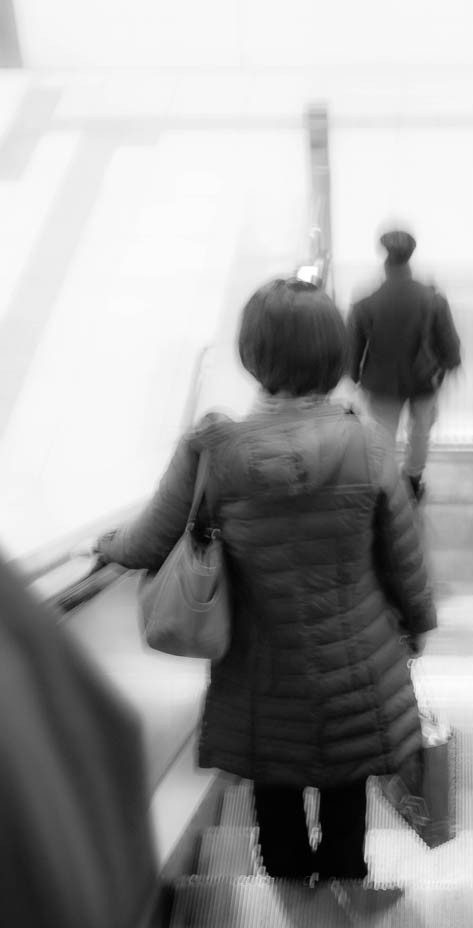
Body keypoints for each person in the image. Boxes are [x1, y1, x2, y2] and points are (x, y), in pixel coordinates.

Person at [96, 278, 437, 882]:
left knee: (272, 775)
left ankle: (284, 871)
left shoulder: (213, 449)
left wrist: (106, 547)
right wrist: (416, 624)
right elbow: (403, 557)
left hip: (258, 661)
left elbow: (148, 542)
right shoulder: (368, 444)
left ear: (253, 357)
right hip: (355, 658)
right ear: (335, 356)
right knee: (346, 774)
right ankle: (342, 871)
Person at [0, 552, 156, 928]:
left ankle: (286, 857)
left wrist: (116, 545)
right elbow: (112, 735)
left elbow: (155, 531)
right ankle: (342, 860)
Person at [347, 229, 462, 502]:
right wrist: (447, 367)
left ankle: (385, 488)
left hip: (381, 383)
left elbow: (352, 349)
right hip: (424, 380)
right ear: (410, 260)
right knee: (420, 432)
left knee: (382, 435)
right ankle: (412, 479)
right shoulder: (433, 298)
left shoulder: (366, 303)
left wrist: (353, 376)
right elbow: (449, 344)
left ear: (385, 261)